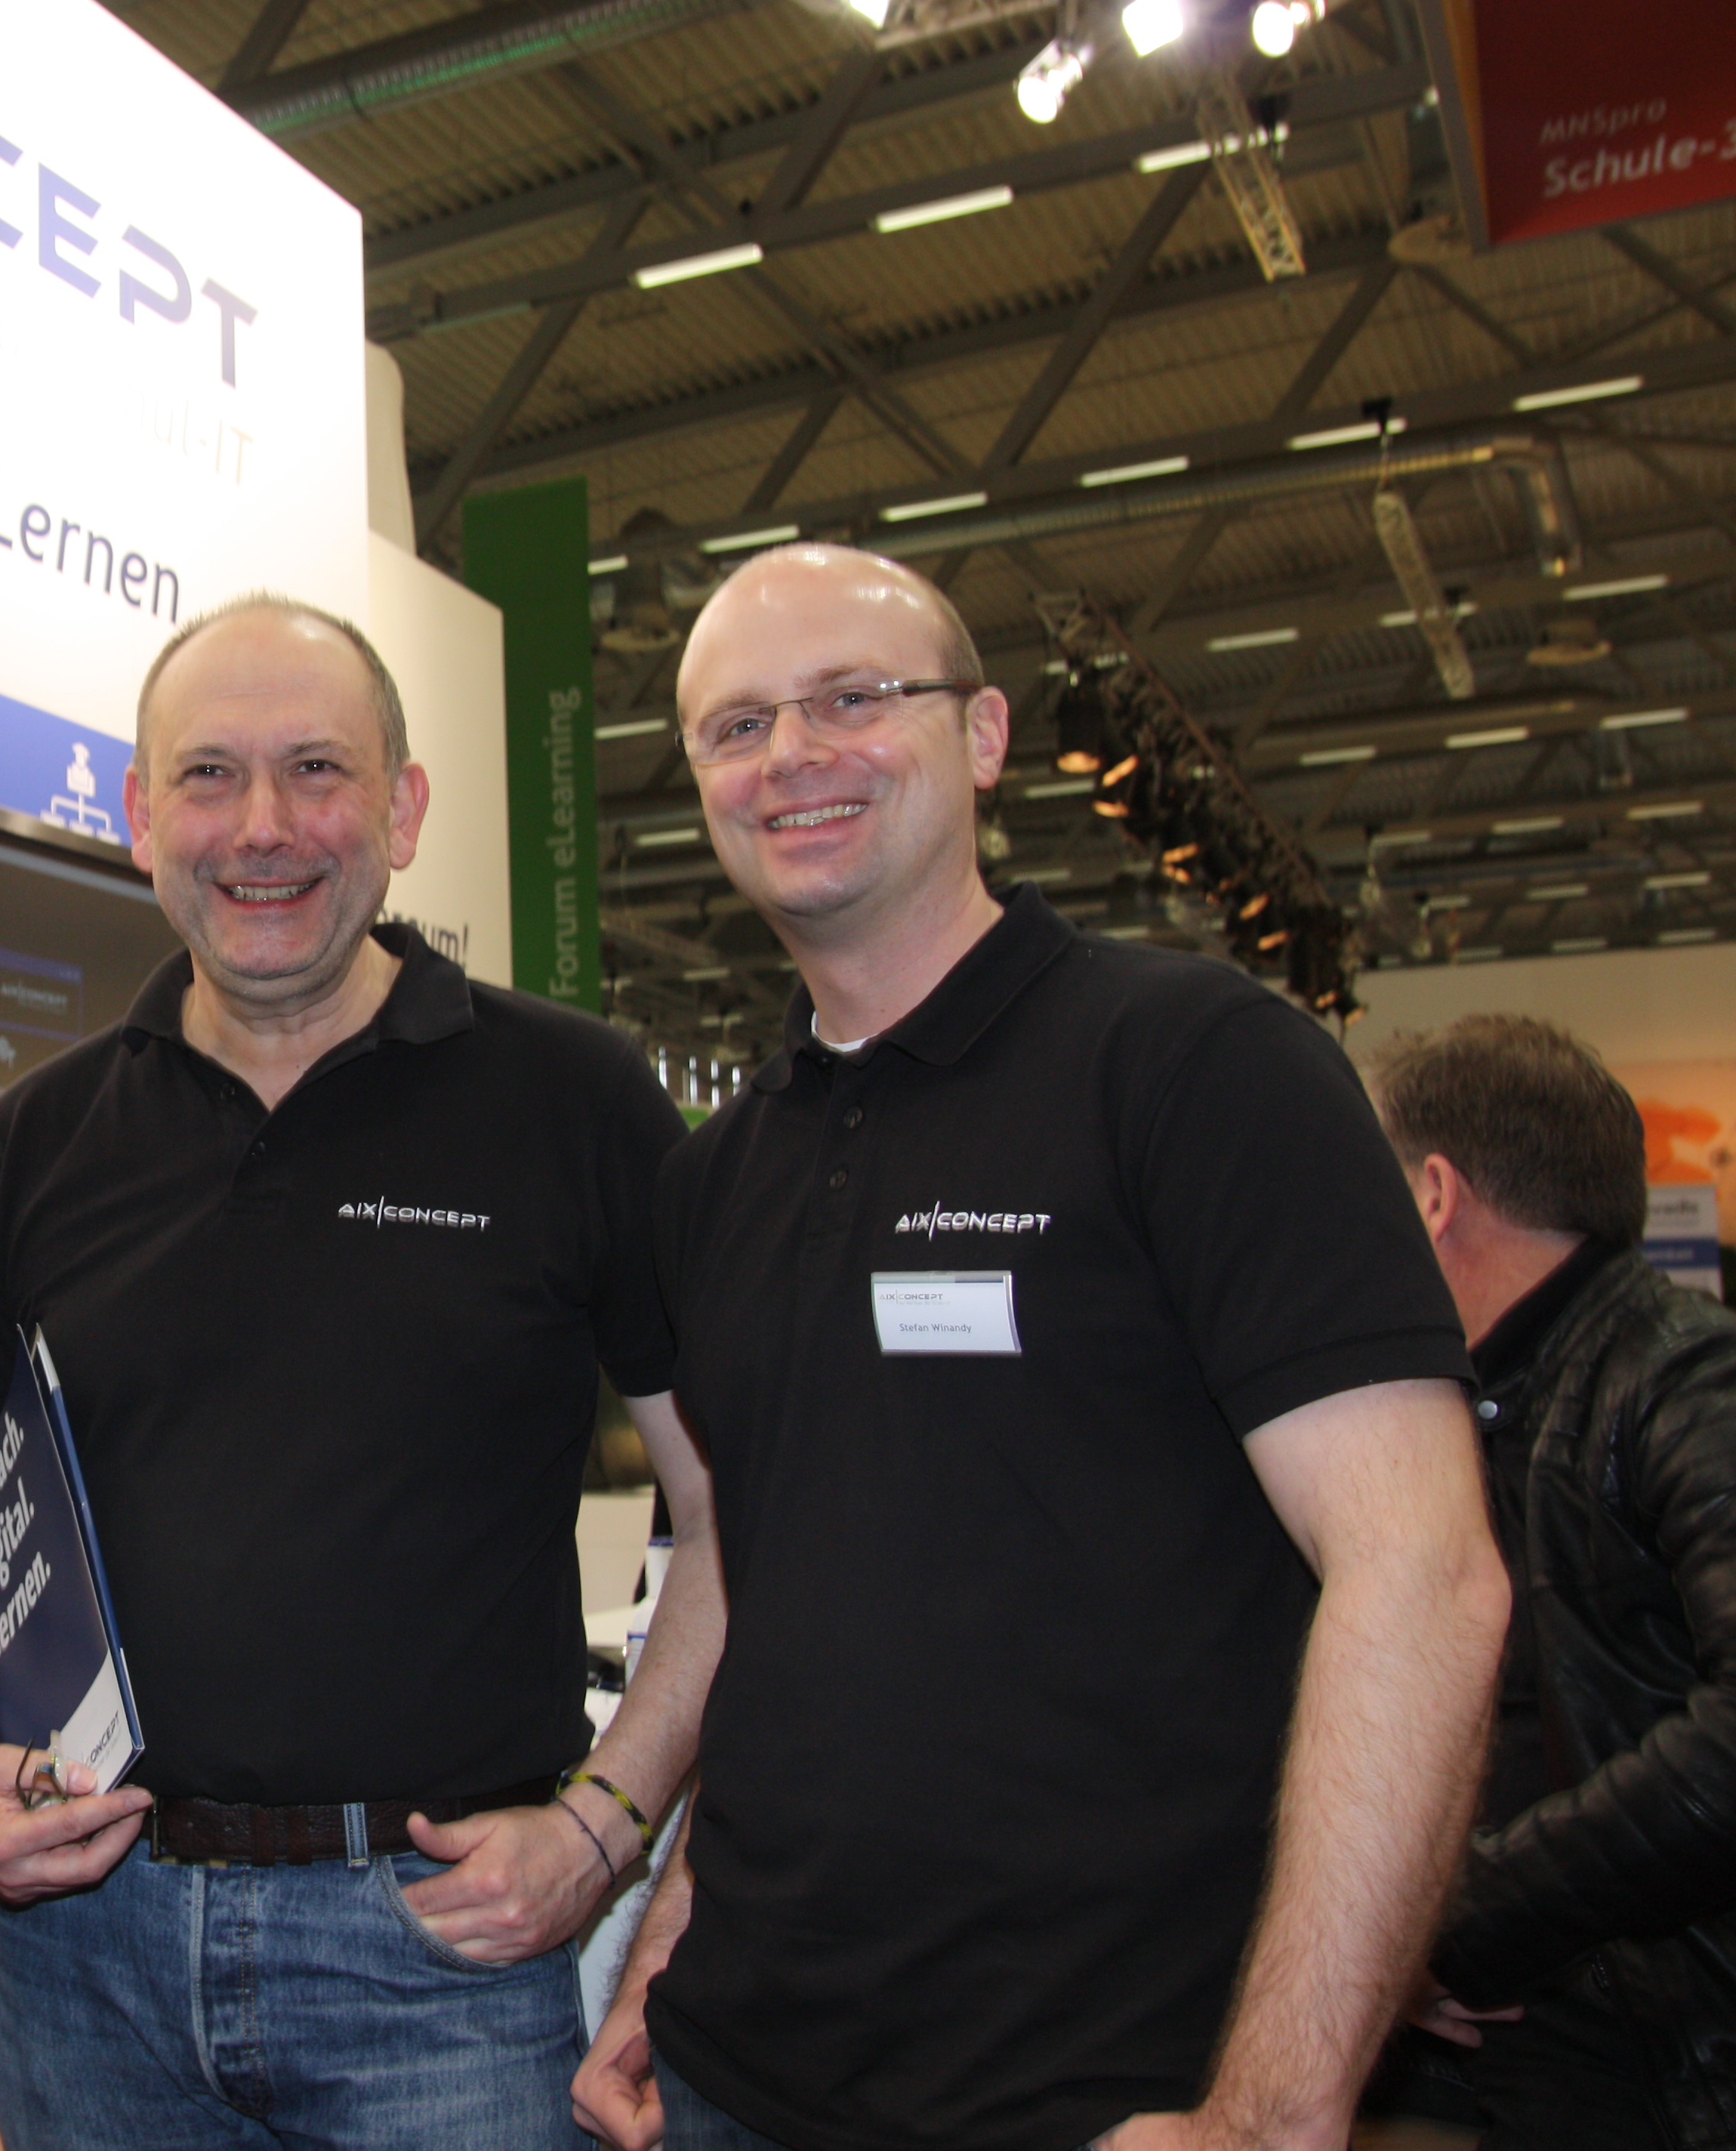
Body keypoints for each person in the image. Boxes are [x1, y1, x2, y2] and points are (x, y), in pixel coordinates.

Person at [571, 542, 1508, 2151]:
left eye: (852, 697)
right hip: (735, 2071)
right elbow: (780, 1603)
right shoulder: (715, 1182)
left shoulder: (1200, 1066)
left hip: (1105, 2092)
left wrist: (1275, 2112)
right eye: (737, 725)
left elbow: (1423, 1575)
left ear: (986, 733)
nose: (791, 754)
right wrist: (669, 1936)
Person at [0, 594, 717, 2149]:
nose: (262, 826)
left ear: (402, 810)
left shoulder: (574, 1099)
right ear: (142, 818)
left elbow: (729, 1505)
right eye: (208, 775)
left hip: (443, 1954)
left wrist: (607, 1827)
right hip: (92, 1955)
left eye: (316, 769)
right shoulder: (46, 1135)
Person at [1367, 1014, 1736, 2149]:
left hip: (1666, 2066)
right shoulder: (1470, 1406)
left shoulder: (1684, 1373)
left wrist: (1463, 1922)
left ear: (1435, 1195)